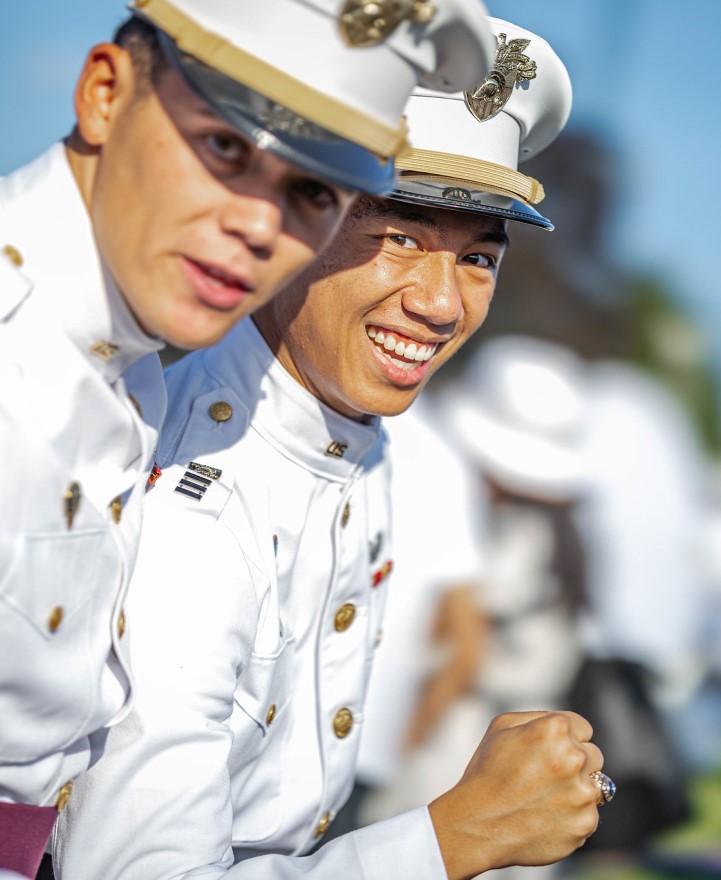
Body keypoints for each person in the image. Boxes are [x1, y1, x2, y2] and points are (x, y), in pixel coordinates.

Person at [54, 17, 610, 880]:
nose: (440, 303)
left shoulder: (356, 432)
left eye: (477, 258)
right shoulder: (201, 502)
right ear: (305, 215)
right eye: (399, 237)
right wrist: (453, 838)